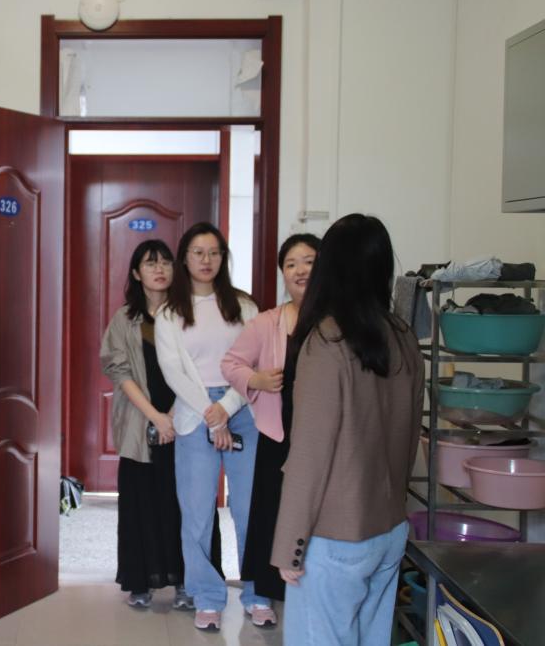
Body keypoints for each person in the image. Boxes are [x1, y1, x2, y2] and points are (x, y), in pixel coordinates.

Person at [272, 214, 424, 645]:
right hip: (388, 532)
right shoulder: (403, 335)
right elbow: (409, 439)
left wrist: (289, 546)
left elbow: (310, 456)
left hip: (335, 538)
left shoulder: (327, 340)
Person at [154, 222, 271, 632]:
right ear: (185, 258)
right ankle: (207, 596)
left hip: (243, 409)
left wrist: (226, 408)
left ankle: (257, 593)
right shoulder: (169, 313)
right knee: (197, 513)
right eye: (198, 253)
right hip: (194, 413)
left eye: (214, 253)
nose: (206, 260)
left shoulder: (245, 307)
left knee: (249, 509)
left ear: (223, 258)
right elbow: (173, 371)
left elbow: (256, 363)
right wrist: (211, 412)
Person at [220, 233, 320, 619]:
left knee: (315, 516)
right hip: (278, 433)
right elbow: (231, 364)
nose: (300, 270)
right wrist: (257, 380)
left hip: (320, 436)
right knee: (271, 513)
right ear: (283, 273)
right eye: (291, 264)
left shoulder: (336, 321)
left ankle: (311, 591)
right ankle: (264, 593)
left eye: (308, 261)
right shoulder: (268, 322)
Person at [99, 239, 192, 611]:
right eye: (150, 263)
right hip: (141, 423)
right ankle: (141, 582)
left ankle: (186, 581)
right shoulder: (125, 319)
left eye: (166, 262)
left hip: (185, 419)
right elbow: (119, 372)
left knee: (183, 504)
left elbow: (200, 369)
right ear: (137, 273)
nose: (160, 269)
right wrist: (156, 416)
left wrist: (176, 415)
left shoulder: (186, 315)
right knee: (141, 503)